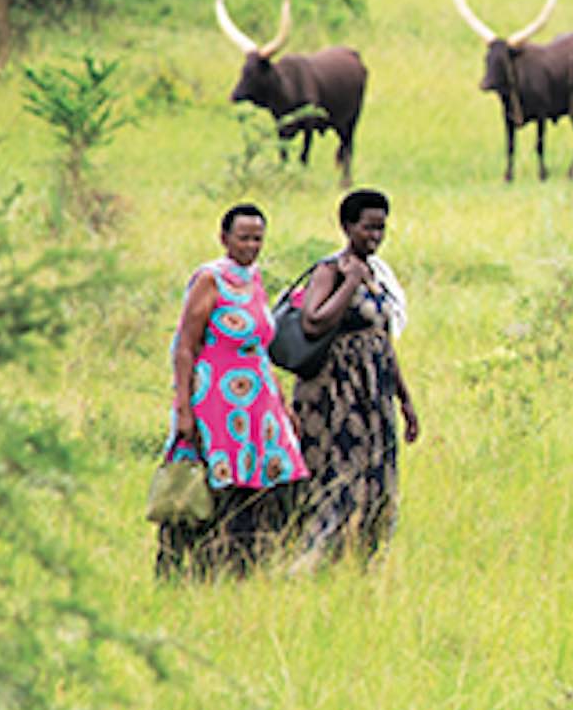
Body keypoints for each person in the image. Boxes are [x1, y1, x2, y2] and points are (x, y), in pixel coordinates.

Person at [157, 204, 309, 577]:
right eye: (243, 237)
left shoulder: (254, 278)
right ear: (224, 238)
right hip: (216, 400)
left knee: (264, 482)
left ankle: (242, 566)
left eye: (258, 238)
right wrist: (183, 408)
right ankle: (194, 568)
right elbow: (186, 346)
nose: (251, 245)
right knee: (214, 483)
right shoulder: (211, 279)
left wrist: (282, 405)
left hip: (256, 399)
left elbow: (258, 347)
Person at [291, 188, 419, 562]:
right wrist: (349, 283)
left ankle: (364, 561)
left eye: (381, 229)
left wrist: (405, 400)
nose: (375, 237)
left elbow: (381, 341)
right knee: (336, 477)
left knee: (377, 479)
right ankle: (314, 560)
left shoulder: (378, 276)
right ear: (347, 227)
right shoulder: (330, 270)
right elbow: (313, 322)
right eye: (367, 228)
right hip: (334, 394)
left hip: (373, 394)